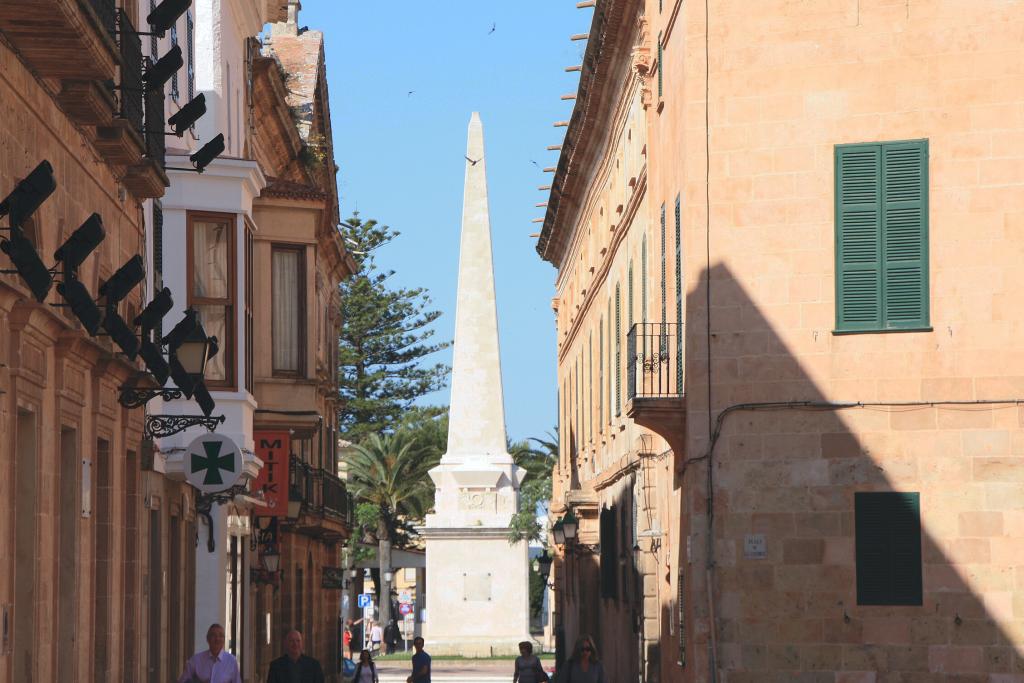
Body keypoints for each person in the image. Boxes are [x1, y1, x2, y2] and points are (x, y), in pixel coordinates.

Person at [177, 623, 242, 683]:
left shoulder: (231, 661)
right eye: (214, 635)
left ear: (224, 640)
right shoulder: (196, 660)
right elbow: (183, 681)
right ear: (208, 639)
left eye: (221, 636)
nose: (217, 639)